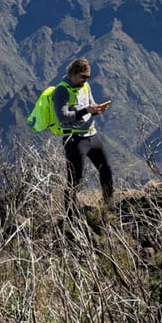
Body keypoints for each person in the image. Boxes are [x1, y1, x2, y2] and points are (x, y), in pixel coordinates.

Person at [52, 57, 113, 215]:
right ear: (73, 74)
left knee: (106, 169)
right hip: (74, 139)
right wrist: (87, 110)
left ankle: (109, 205)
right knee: (75, 180)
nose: (86, 80)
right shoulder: (62, 90)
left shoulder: (86, 86)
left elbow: (90, 105)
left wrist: (98, 110)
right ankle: (71, 216)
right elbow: (63, 117)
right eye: (83, 77)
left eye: (88, 77)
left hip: (92, 135)